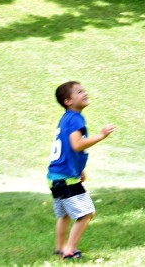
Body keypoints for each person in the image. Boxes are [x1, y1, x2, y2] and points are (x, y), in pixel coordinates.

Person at [47, 81, 116, 261]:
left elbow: (68, 149)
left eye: (83, 90)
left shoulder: (66, 118)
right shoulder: (76, 118)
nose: (84, 93)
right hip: (66, 178)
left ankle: (60, 248)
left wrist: (79, 169)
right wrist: (101, 135)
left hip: (55, 175)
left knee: (65, 215)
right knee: (86, 213)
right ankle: (70, 250)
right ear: (68, 101)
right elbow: (76, 145)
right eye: (79, 92)